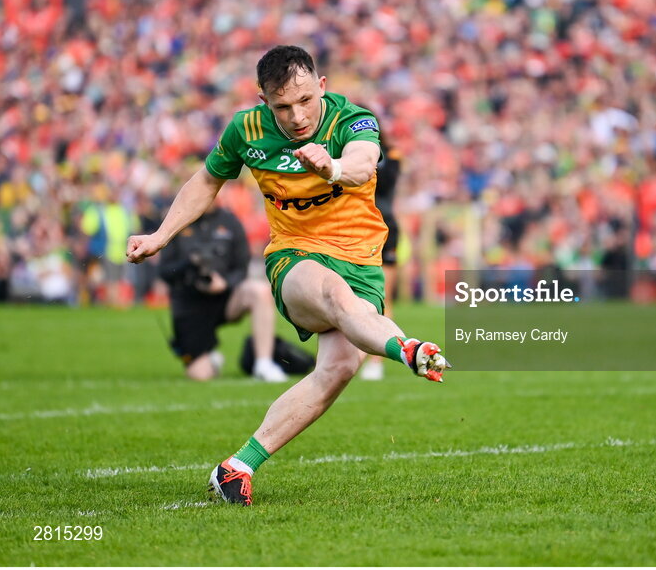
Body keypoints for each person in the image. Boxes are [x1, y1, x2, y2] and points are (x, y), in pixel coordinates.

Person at [126, 45, 449, 506]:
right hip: (294, 258)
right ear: (264, 102)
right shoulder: (246, 130)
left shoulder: (352, 119)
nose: (297, 116)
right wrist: (161, 234)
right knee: (336, 297)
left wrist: (331, 167)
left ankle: (236, 467)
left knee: (336, 369)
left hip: (362, 263)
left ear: (321, 87)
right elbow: (206, 181)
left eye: (304, 101)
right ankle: (408, 349)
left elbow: (361, 162)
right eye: (281, 106)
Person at [157, 202, 290, 383]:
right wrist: (189, 263)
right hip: (189, 304)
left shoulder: (230, 221)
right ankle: (210, 359)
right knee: (200, 375)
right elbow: (164, 271)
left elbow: (242, 267)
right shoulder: (176, 222)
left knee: (259, 290)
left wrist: (225, 283)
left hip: (225, 298)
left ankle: (263, 363)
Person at [359, 131, 402, 381]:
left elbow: (384, 182)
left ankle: (376, 360)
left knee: (382, 295)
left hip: (384, 224)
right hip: (357, 225)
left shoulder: (391, 155)